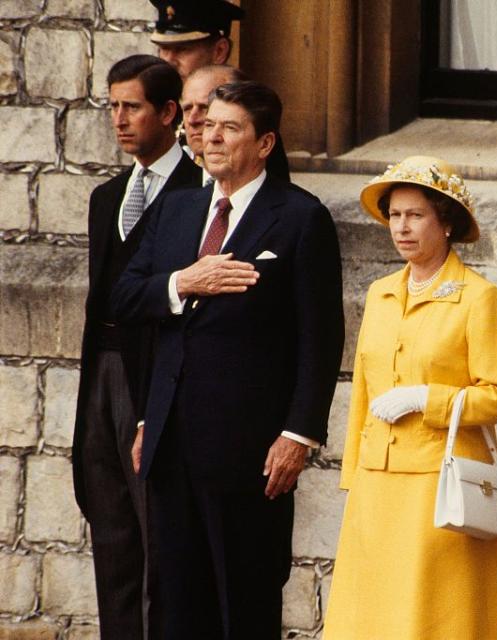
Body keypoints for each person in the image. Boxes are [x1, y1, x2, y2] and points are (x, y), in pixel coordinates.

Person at [112, 81, 344, 638]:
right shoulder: (177, 208)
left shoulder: (299, 216)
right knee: (174, 599)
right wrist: (183, 282)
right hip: (169, 443)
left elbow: (321, 336)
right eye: (207, 124)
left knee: (243, 599)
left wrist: (299, 434)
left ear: (264, 143)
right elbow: (122, 299)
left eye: (229, 127)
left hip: (250, 450)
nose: (211, 136)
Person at [324, 156, 497, 640]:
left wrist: (426, 398)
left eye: (416, 215)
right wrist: (354, 476)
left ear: (446, 222)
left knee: (432, 617)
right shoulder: (380, 293)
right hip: (377, 483)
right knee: (371, 617)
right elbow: (364, 392)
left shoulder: (479, 297)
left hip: (438, 485)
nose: (402, 228)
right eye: (395, 215)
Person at [71, 54, 200, 640]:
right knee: (113, 533)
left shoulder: (202, 192)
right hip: (104, 373)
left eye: (132, 107)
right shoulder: (108, 197)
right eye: (113, 106)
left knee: (162, 542)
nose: (119, 120)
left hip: (162, 380)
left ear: (169, 112)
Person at [181, 64, 290, 183]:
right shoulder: (173, 196)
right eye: (187, 108)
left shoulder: (292, 199)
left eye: (205, 108)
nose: (192, 120)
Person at [150, 0, 243, 79]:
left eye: (182, 49)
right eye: (164, 48)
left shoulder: (240, 100)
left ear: (219, 52)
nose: (169, 61)